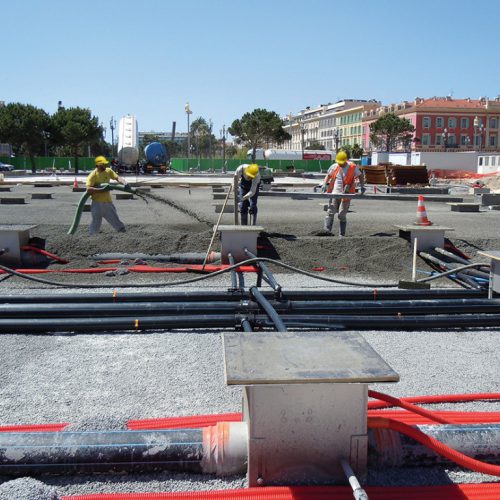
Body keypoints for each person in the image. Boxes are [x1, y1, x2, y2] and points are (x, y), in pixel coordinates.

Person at [321, 150, 365, 237]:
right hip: (334, 193)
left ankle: (342, 234)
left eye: (341, 163)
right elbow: (328, 175)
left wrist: (362, 186)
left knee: (341, 215)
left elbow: (360, 175)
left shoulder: (352, 167)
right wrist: (324, 184)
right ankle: (327, 231)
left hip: (346, 195)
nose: (340, 164)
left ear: (346, 160)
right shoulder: (334, 166)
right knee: (330, 212)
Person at [86, 156, 129, 235]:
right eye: (103, 164)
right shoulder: (93, 175)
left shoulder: (108, 171)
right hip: (97, 204)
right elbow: (88, 189)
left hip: (108, 202)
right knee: (96, 222)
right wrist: (101, 190)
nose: (105, 165)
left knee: (115, 219)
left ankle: (123, 234)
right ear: (98, 165)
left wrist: (124, 182)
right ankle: (92, 238)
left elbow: (117, 177)